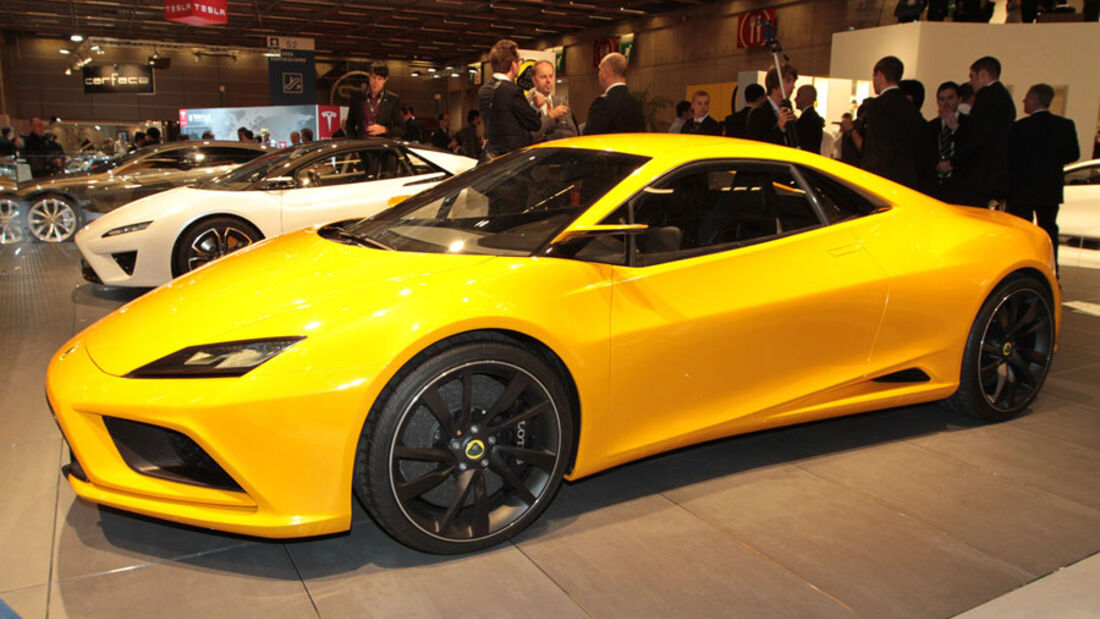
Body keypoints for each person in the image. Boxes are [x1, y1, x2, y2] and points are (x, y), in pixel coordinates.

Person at [1007, 83, 1080, 271]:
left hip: (1022, 189)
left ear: (1033, 100)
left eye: (1026, 98)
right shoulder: (1065, 126)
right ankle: (1052, 271)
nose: (1023, 102)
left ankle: (1021, 269)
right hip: (1049, 189)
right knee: (1049, 231)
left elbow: (1009, 157)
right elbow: (1073, 154)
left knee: (1023, 232)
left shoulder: (1019, 127)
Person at [939, 56, 1015, 207]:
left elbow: (978, 137)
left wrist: (953, 161)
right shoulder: (1003, 96)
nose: (970, 82)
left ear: (983, 74)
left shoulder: (986, 96)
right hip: (994, 172)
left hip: (981, 174)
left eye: (972, 76)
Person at [858, 56, 927, 189]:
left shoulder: (876, 106)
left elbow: (873, 149)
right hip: (906, 181)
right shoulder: (910, 107)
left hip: (881, 181)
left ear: (879, 75)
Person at [478, 39, 541, 158]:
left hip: (491, 156)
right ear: (513, 65)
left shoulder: (483, 90)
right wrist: (535, 107)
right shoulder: (512, 91)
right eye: (520, 61)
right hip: (512, 159)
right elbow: (534, 123)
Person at [582, 52, 644, 135]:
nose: (598, 74)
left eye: (600, 70)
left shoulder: (602, 103)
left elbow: (589, 138)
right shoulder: (635, 102)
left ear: (607, 72)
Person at [926, 81, 967, 201]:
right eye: (942, 99)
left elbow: (971, 149)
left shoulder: (969, 124)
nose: (946, 103)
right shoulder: (930, 127)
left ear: (959, 100)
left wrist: (957, 129)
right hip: (935, 186)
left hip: (960, 184)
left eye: (950, 98)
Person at [347, 62, 404, 139]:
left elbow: (401, 129)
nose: (376, 82)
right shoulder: (357, 96)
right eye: (373, 77)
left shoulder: (393, 100)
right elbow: (350, 124)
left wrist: (384, 129)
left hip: (383, 147)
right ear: (369, 76)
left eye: (379, 79)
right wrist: (353, 147)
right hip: (361, 147)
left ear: (385, 79)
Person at [747, 63, 798, 147]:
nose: (793, 86)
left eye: (794, 82)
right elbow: (758, 145)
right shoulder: (758, 112)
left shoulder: (787, 109)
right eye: (788, 81)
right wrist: (780, 128)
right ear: (775, 83)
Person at [527, 60, 577, 143]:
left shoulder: (560, 102)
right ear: (534, 80)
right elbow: (531, 135)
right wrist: (551, 116)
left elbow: (572, 133)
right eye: (543, 77)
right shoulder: (527, 103)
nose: (548, 80)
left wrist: (547, 137)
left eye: (551, 76)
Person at [795, 84, 824, 154]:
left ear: (807, 97)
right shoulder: (811, 117)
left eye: (798, 95)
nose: (795, 99)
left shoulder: (808, 120)